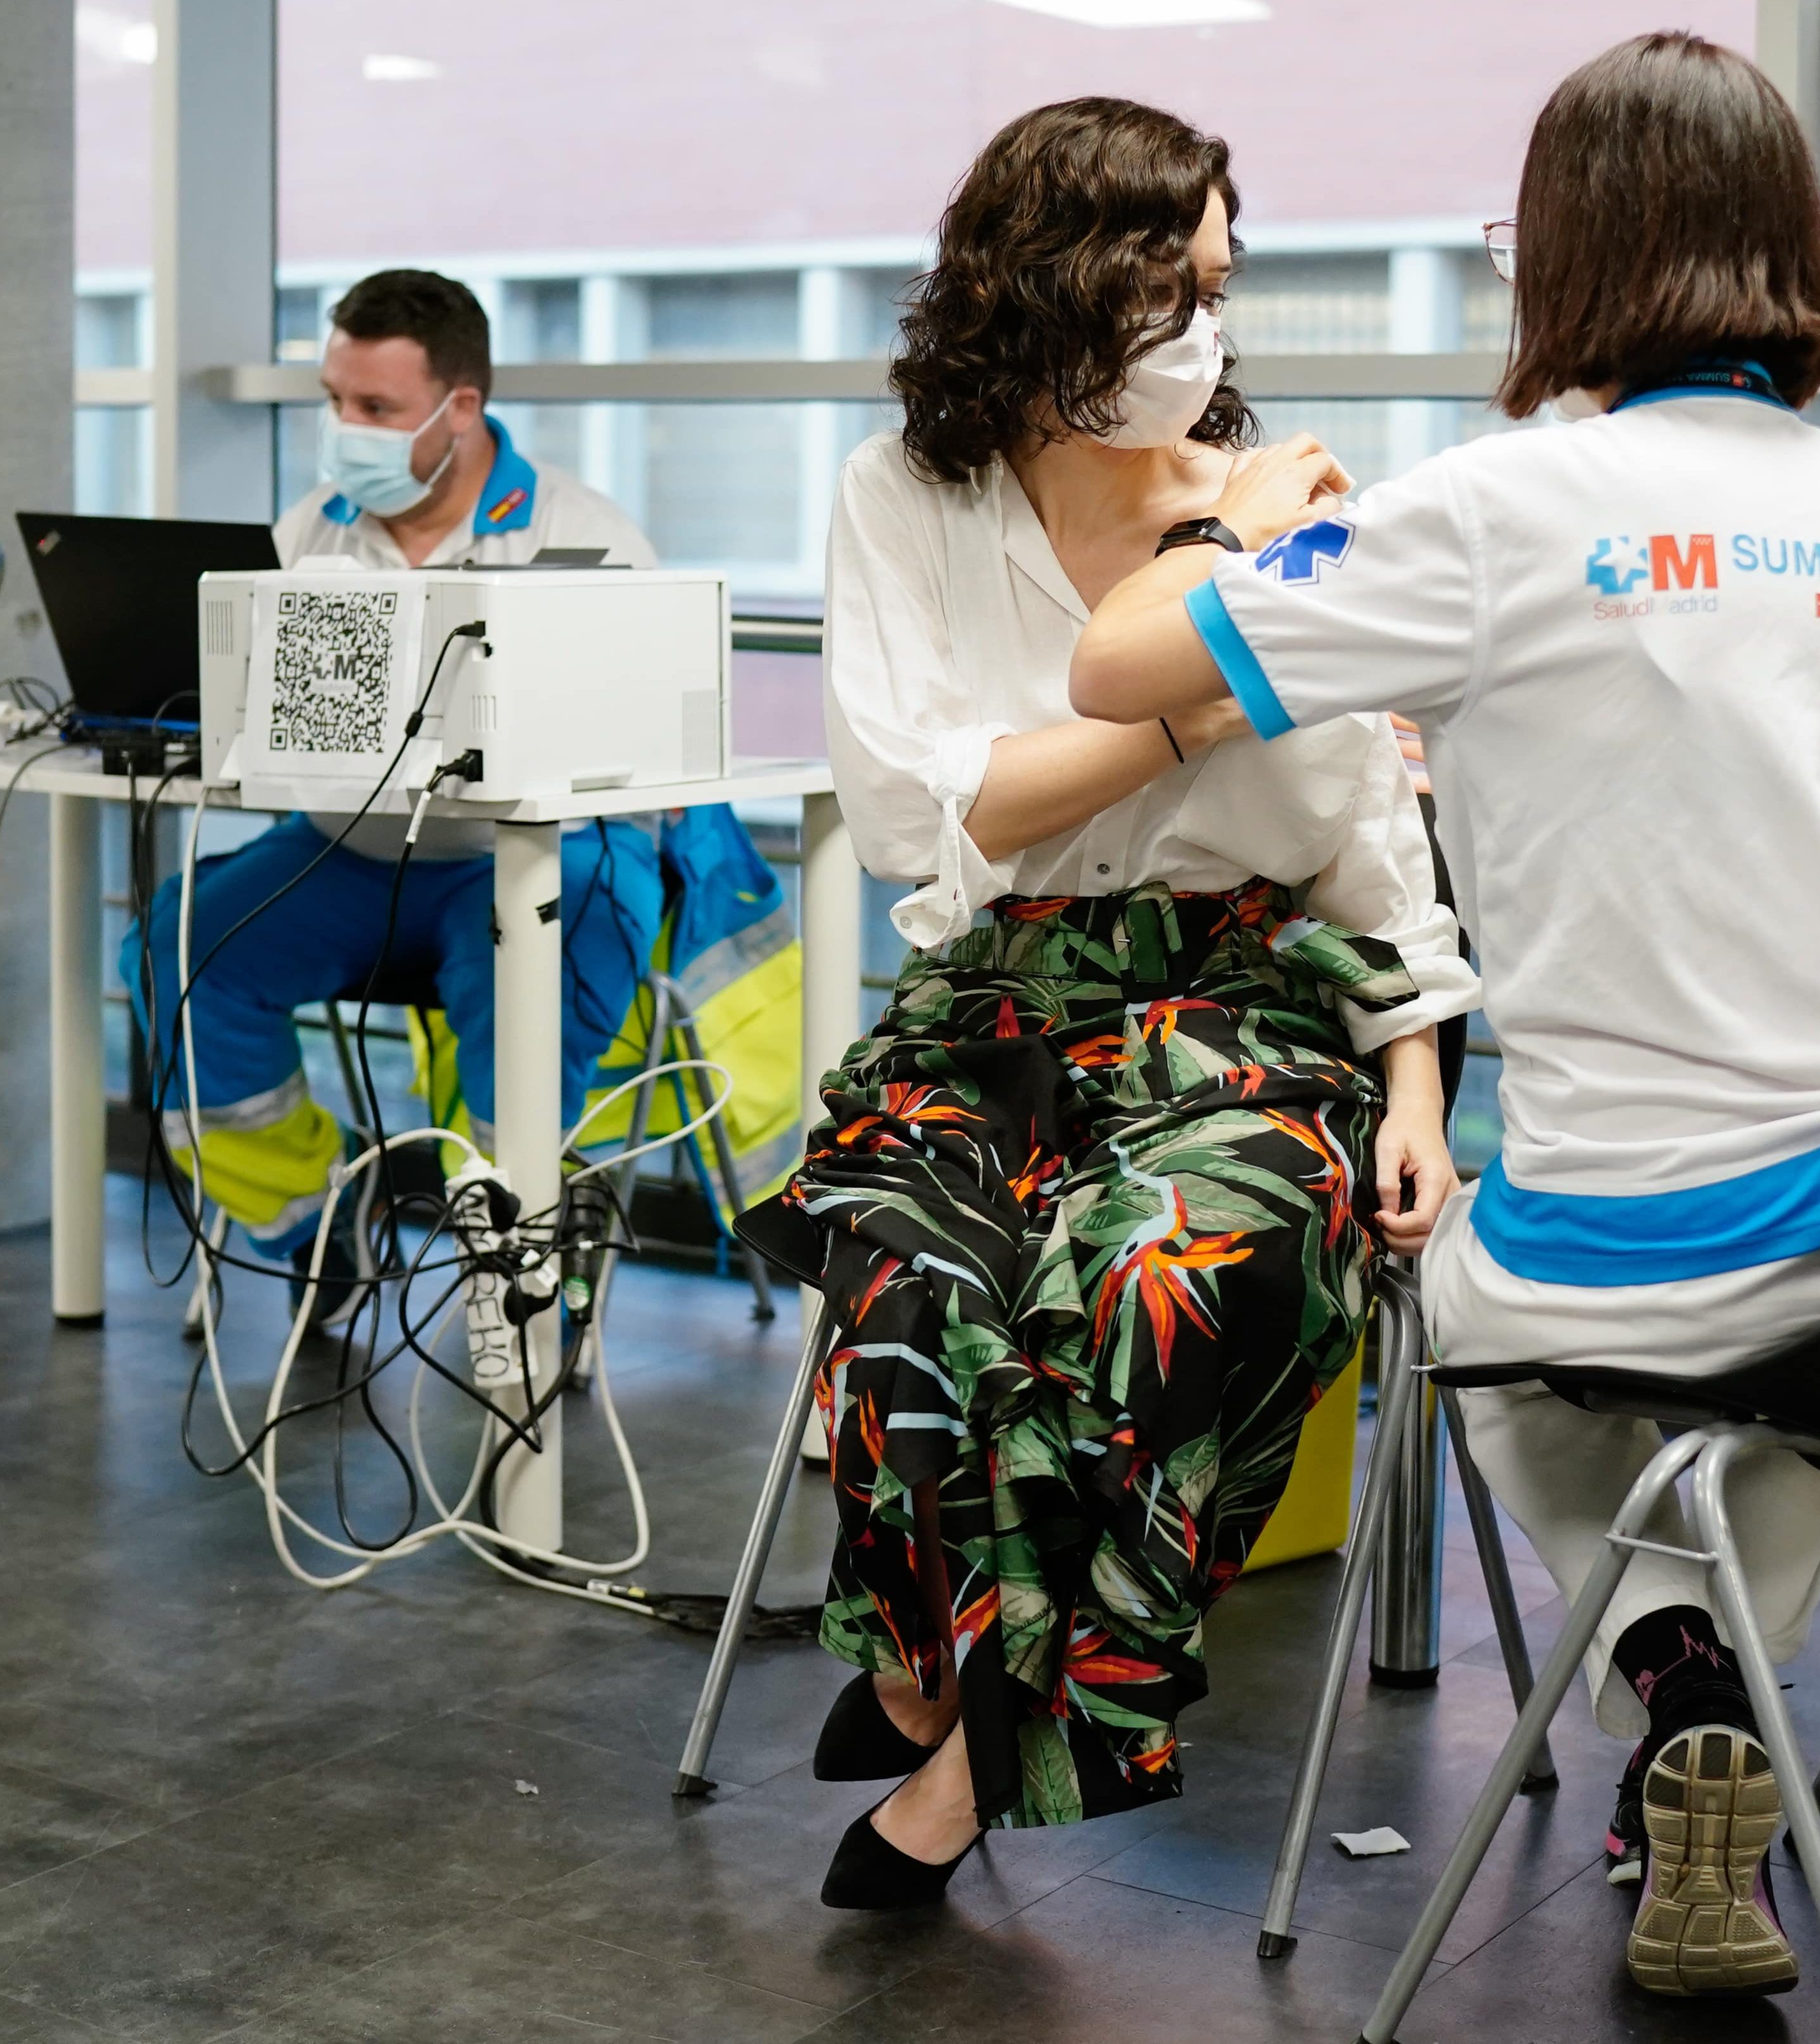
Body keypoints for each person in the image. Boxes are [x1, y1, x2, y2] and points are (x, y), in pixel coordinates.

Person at [1069, 34, 1820, 1998]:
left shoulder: (1499, 506)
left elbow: (1109, 653)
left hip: (1622, 1234)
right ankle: (1717, 1713)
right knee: (1773, 1365)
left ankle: (1665, 1673)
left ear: (1564, 259)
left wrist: (1240, 509)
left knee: (1457, 1283)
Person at [734, 98, 1476, 1910]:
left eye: (1218, 290)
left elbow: (1372, 828)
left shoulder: (1288, 510)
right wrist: (1188, 693)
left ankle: (975, 1759)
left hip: (1247, 1005)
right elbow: (934, 807)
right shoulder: (908, 498)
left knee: (1159, 1279)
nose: (1200, 338)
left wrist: (1415, 1087)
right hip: (991, 1004)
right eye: (1168, 292)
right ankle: (924, 1658)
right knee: (912, 1274)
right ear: (1052, 290)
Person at [130, 270, 797, 1320]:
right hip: (352, 852)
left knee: (542, 937)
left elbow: (642, 759)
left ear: (462, 409)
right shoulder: (313, 528)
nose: (344, 429)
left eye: (376, 410)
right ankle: (312, 1229)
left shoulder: (590, 537)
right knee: (181, 942)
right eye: (334, 400)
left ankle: (516, 1235)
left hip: (533, 851)